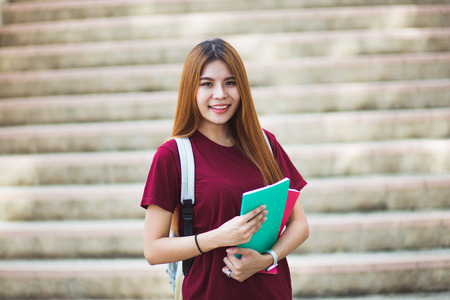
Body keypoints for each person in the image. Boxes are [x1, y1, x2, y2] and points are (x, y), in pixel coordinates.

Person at [141, 38, 309, 299]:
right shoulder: (173, 156)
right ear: (191, 90)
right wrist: (217, 237)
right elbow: (153, 250)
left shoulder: (265, 144)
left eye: (230, 82)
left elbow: (299, 224)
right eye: (207, 84)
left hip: (271, 292)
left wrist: (266, 259)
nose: (220, 94)